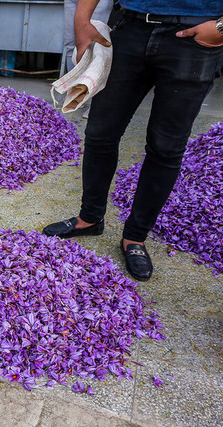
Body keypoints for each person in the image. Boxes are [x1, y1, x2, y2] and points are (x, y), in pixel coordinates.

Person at [43, 0, 223, 281]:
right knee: (100, 133)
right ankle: (89, 218)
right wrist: (82, 19)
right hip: (131, 27)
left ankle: (135, 237)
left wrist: (220, 28)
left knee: (165, 147)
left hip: (195, 36)